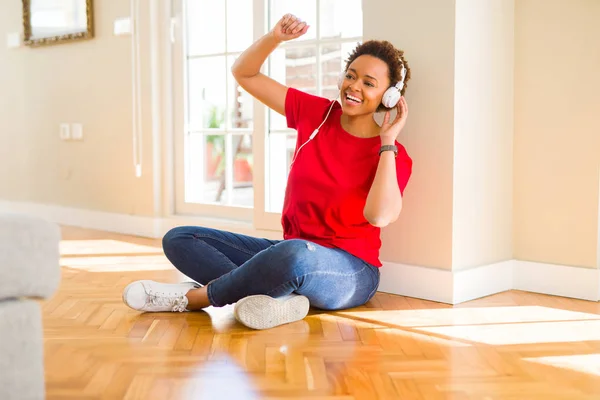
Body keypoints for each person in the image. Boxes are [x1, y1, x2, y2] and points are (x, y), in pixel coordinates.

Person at [122, 14, 413, 330]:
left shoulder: (393, 155)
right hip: (289, 250)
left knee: (295, 255)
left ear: (389, 96)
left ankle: (195, 299)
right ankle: (279, 299)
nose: (354, 86)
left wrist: (387, 141)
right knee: (180, 238)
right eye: (350, 76)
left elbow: (379, 217)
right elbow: (244, 73)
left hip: (350, 271)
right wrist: (274, 37)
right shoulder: (316, 113)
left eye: (368, 83)